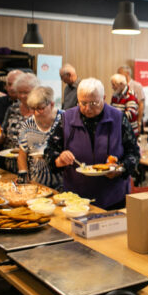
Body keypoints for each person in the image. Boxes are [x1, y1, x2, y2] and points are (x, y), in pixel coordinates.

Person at [45, 78, 140, 209]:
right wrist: (59, 160)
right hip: (75, 199)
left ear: (104, 98)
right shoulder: (66, 119)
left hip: (113, 197)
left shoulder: (118, 118)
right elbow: (50, 151)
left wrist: (120, 168)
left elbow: (133, 153)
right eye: (82, 103)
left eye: (94, 103)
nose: (87, 108)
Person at [17, 86, 63, 189]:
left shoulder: (65, 120)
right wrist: (23, 175)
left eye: (41, 108)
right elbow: (22, 154)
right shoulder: (28, 125)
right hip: (37, 183)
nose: (36, 113)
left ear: (51, 104)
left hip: (63, 184)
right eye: (33, 109)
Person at [0, 73, 38, 173]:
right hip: (10, 166)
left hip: (33, 168)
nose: (22, 96)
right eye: (20, 92)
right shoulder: (12, 109)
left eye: (26, 92)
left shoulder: (41, 111)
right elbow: (3, 137)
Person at [117, 65, 146, 132]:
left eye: (120, 73)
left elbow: (141, 105)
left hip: (134, 121)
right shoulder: (120, 87)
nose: (118, 75)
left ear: (128, 73)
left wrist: (139, 122)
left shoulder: (137, 86)